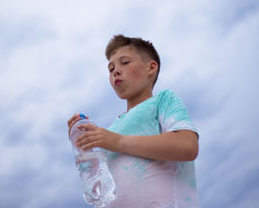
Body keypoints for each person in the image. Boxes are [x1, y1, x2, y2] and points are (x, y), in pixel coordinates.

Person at [67, 34, 200, 207]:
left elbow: (187, 146)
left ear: (150, 68)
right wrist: (84, 147)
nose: (115, 70)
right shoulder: (111, 131)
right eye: (111, 68)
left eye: (125, 62)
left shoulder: (162, 100)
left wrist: (118, 141)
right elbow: (100, 190)